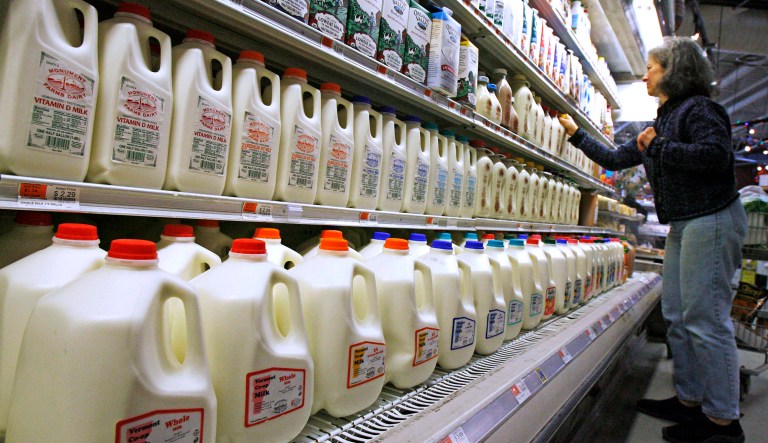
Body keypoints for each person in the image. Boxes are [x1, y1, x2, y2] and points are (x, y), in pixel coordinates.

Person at [559, 37, 746, 443]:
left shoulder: (700, 110)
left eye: (652, 67)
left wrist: (658, 146)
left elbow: (716, 156)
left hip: (711, 220)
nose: (645, 75)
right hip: (686, 224)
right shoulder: (664, 119)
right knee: (679, 317)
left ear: (674, 71)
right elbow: (613, 158)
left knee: (706, 320)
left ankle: (724, 422)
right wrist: (574, 132)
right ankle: (690, 400)